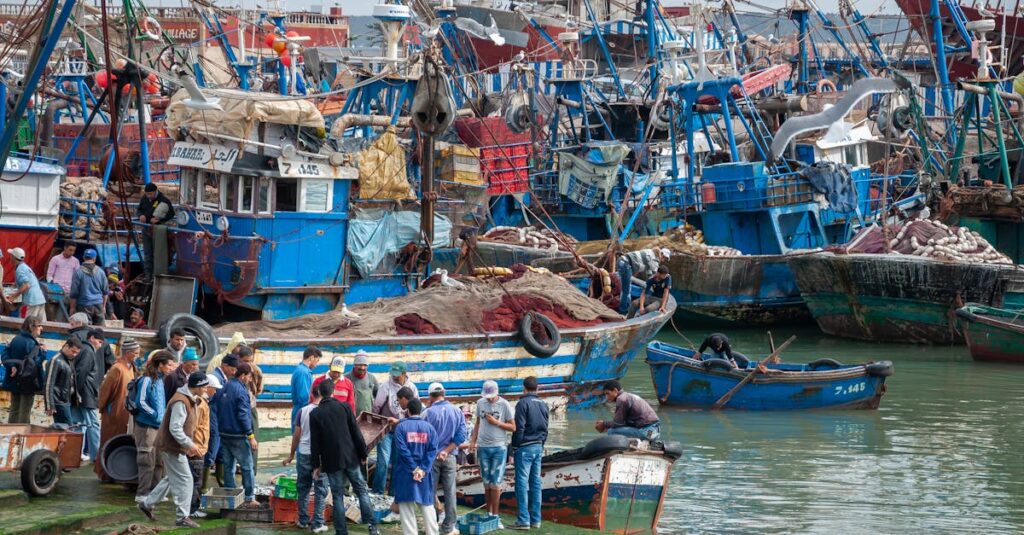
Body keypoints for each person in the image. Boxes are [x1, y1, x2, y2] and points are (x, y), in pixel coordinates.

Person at [137, 371, 208, 529]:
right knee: (186, 480)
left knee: (171, 478)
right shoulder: (181, 401)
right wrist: (190, 444)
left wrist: (187, 444)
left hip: (174, 446)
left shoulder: (189, 398)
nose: (206, 389)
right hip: (171, 447)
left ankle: (147, 504)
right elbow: (175, 428)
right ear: (197, 387)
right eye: (204, 386)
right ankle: (182, 516)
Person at [309, 380, 380, 535]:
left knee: (337, 496)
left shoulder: (315, 414)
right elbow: (356, 433)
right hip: (351, 457)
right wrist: (363, 454)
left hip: (331, 461)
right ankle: (372, 527)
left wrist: (315, 465)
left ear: (320, 393)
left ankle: (341, 531)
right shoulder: (344, 407)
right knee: (361, 491)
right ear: (333, 392)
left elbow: (315, 442)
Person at [284, 379, 330, 532]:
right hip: (321, 456)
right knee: (321, 490)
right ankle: (318, 522)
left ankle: (303, 520)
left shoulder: (302, 411)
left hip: (303, 453)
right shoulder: (326, 412)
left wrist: (291, 455)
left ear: (312, 394)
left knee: (303, 488)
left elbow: (296, 436)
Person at [469, 380, 514, 521]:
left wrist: (497, 423)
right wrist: (473, 441)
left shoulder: (504, 404)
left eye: (491, 396)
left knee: (496, 483)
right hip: (483, 447)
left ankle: (495, 515)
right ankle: (488, 513)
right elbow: (477, 423)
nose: (489, 398)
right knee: (487, 483)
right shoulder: (480, 403)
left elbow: (513, 427)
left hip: (499, 447)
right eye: (487, 396)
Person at [422, 383, 465, 535]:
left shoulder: (428, 412)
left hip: (431, 457)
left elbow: (422, 435)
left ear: (430, 396)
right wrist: (446, 451)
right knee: (450, 492)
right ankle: (448, 527)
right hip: (450, 456)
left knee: (430, 492)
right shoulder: (457, 411)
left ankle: (431, 526)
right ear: (444, 393)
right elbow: (461, 436)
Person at [215, 362, 259, 508]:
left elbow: (218, 409)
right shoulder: (241, 391)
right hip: (238, 435)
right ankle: (249, 497)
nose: (251, 379)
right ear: (243, 376)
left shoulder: (224, 386)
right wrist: (251, 436)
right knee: (247, 466)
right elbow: (243, 415)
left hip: (224, 433)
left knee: (229, 466)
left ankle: (230, 495)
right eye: (249, 376)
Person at [393, 398, 439, 535]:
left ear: (407, 410)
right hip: (423, 475)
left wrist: (414, 469)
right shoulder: (430, 428)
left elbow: (403, 451)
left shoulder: (400, 427)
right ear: (421, 410)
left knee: (406, 508)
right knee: (426, 504)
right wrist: (422, 469)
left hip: (405, 472)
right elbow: (432, 451)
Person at [371, 361, 419, 493]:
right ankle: (377, 491)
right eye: (393, 374)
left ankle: (393, 493)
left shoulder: (412, 388)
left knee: (398, 463)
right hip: (386, 430)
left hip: (403, 432)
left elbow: (416, 409)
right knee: (383, 462)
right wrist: (375, 426)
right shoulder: (385, 386)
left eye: (397, 374)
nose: (395, 377)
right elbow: (376, 407)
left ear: (404, 374)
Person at [95, 336, 138, 481]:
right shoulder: (117, 369)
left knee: (118, 443)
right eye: (136, 353)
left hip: (124, 414)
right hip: (113, 413)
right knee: (107, 442)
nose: (137, 356)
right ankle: (103, 473)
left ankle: (114, 472)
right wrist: (102, 408)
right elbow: (105, 390)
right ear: (128, 353)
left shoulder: (131, 368)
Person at [509, 376, 549, 530]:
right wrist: (541, 443)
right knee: (536, 484)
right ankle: (536, 520)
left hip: (525, 447)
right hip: (538, 446)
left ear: (524, 388)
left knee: (521, 484)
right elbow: (546, 428)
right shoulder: (544, 404)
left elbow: (519, 428)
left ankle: (523, 520)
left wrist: (514, 447)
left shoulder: (522, 403)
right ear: (537, 388)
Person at [135, 351, 174, 500]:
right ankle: (142, 493)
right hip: (146, 426)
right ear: (160, 365)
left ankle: (155, 492)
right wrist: (156, 415)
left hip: (158, 427)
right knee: (146, 460)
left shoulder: (160, 380)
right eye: (169, 365)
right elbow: (141, 402)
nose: (171, 368)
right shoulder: (147, 380)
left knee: (158, 460)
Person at [2, 317, 45, 423]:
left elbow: (5, 355)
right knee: (24, 411)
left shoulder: (16, 339)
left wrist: (12, 366)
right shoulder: (32, 344)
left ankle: (10, 435)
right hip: (28, 382)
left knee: (14, 410)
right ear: (32, 327)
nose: (42, 328)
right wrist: (43, 353)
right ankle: (21, 436)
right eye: (39, 325)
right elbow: (35, 364)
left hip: (14, 380)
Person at [74, 328, 107, 461]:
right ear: (91, 338)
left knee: (79, 425)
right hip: (86, 395)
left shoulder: (83, 350)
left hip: (81, 394)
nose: (100, 345)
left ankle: (76, 453)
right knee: (93, 424)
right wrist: (79, 392)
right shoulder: (88, 352)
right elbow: (81, 373)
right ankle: (97, 455)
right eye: (99, 342)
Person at [190, 374, 219, 519]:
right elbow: (194, 427)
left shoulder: (203, 403)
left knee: (194, 479)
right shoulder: (200, 404)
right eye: (212, 388)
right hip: (196, 447)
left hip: (199, 446)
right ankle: (192, 509)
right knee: (195, 480)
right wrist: (195, 446)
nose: (214, 392)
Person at [595, 380, 661, 440]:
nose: (607, 397)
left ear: (615, 390)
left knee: (611, 431)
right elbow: (623, 423)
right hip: (654, 431)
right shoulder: (628, 396)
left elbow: (617, 423)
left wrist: (604, 424)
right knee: (613, 429)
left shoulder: (621, 399)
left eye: (607, 393)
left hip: (648, 433)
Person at [137, 182, 176, 278]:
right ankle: (147, 276)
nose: (149, 196)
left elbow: (171, 214)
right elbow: (139, 209)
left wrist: (160, 220)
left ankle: (157, 275)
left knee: (158, 254)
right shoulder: (145, 198)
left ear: (155, 191)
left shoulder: (164, 200)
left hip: (157, 230)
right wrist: (140, 215)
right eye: (147, 194)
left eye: (150, 194)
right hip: (146, 228)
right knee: (147, 253)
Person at [44, 338, 82, 426]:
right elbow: (48, 384)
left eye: (77, 353)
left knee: (65, 429)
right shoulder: (56, 360)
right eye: (73, 351)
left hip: (66, 400)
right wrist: (49, 405)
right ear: (66, 346)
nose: (75, 355)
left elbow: (71, 381)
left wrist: (77, 395)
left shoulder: (68, 360)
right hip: (59, 402)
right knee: (67, 429)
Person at [69, 249, 108, 325]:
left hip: (84, 305)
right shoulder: (101, 272)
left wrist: (72, 308)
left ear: (84, 258)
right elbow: (105, 291)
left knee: (85, 329)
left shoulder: (78, 272)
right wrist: (104, 306)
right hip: (98, 304)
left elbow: (74, 293)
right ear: (94, 258)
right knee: (99, 330)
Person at [7, 247, 47, 320]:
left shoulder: (20, 269)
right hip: (40, 299)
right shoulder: (24, 267)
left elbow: (26, 285)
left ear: (13, 257)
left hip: (32, 301)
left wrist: (13, 296)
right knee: (41, 325)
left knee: (27, 325)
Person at [290, 346, 322, 431]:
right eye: (317, 360)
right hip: (302, 411)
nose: (317, 364)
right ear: (311, 358)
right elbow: (304, 397)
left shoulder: (302, 371)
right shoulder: (303, 372)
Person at [345, 349, 378, 416]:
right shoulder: (346, 378)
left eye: (365, 365)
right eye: (360, 365)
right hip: (350, 417)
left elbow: (378, 396)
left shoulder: (372, 378)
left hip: (368, 418)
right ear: (354, 365)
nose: (362, 368)